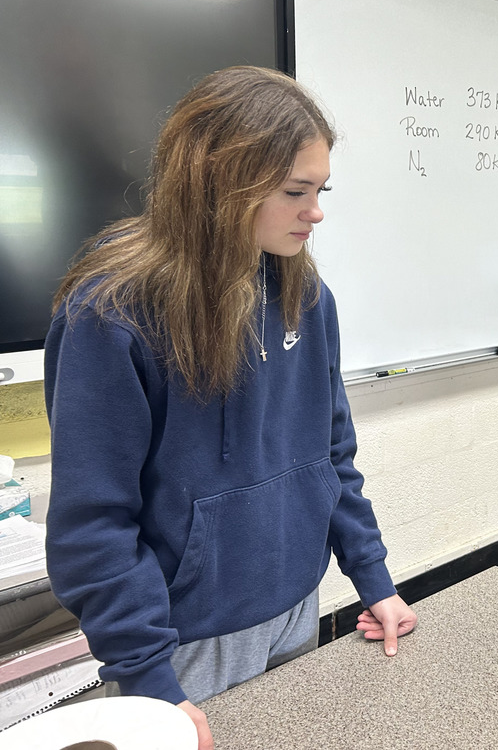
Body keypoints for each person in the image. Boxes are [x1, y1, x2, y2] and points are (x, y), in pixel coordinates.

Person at [44, 66, 417, 748]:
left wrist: (373, 577)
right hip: (185, 644)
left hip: (296, 606)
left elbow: (331, 455)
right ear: (223, 185)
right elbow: (92, 525)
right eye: (295, 192)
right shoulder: (113, 313)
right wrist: (152, 680)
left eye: (320, 189)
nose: (316, 211)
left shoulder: (308, 295)